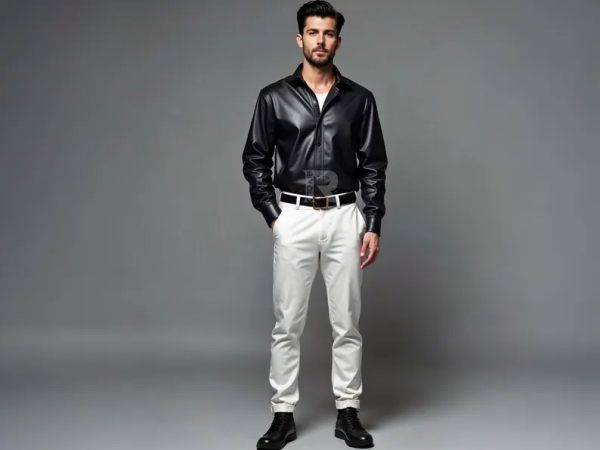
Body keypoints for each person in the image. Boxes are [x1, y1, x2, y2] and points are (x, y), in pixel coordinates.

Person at [242, 1, 388, 448]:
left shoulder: (359, 99)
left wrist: (372, 220)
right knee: (287, 322)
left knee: (347, 322)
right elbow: (255, 159)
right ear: (299, 38)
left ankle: (348, 412)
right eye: (312, 32)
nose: (320, 40)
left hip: (345, 216)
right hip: (294, 215)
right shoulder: (274, 97)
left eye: (327, 33)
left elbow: (373, 164)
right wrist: (273, 215)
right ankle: (282, 415)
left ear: (338, 41)